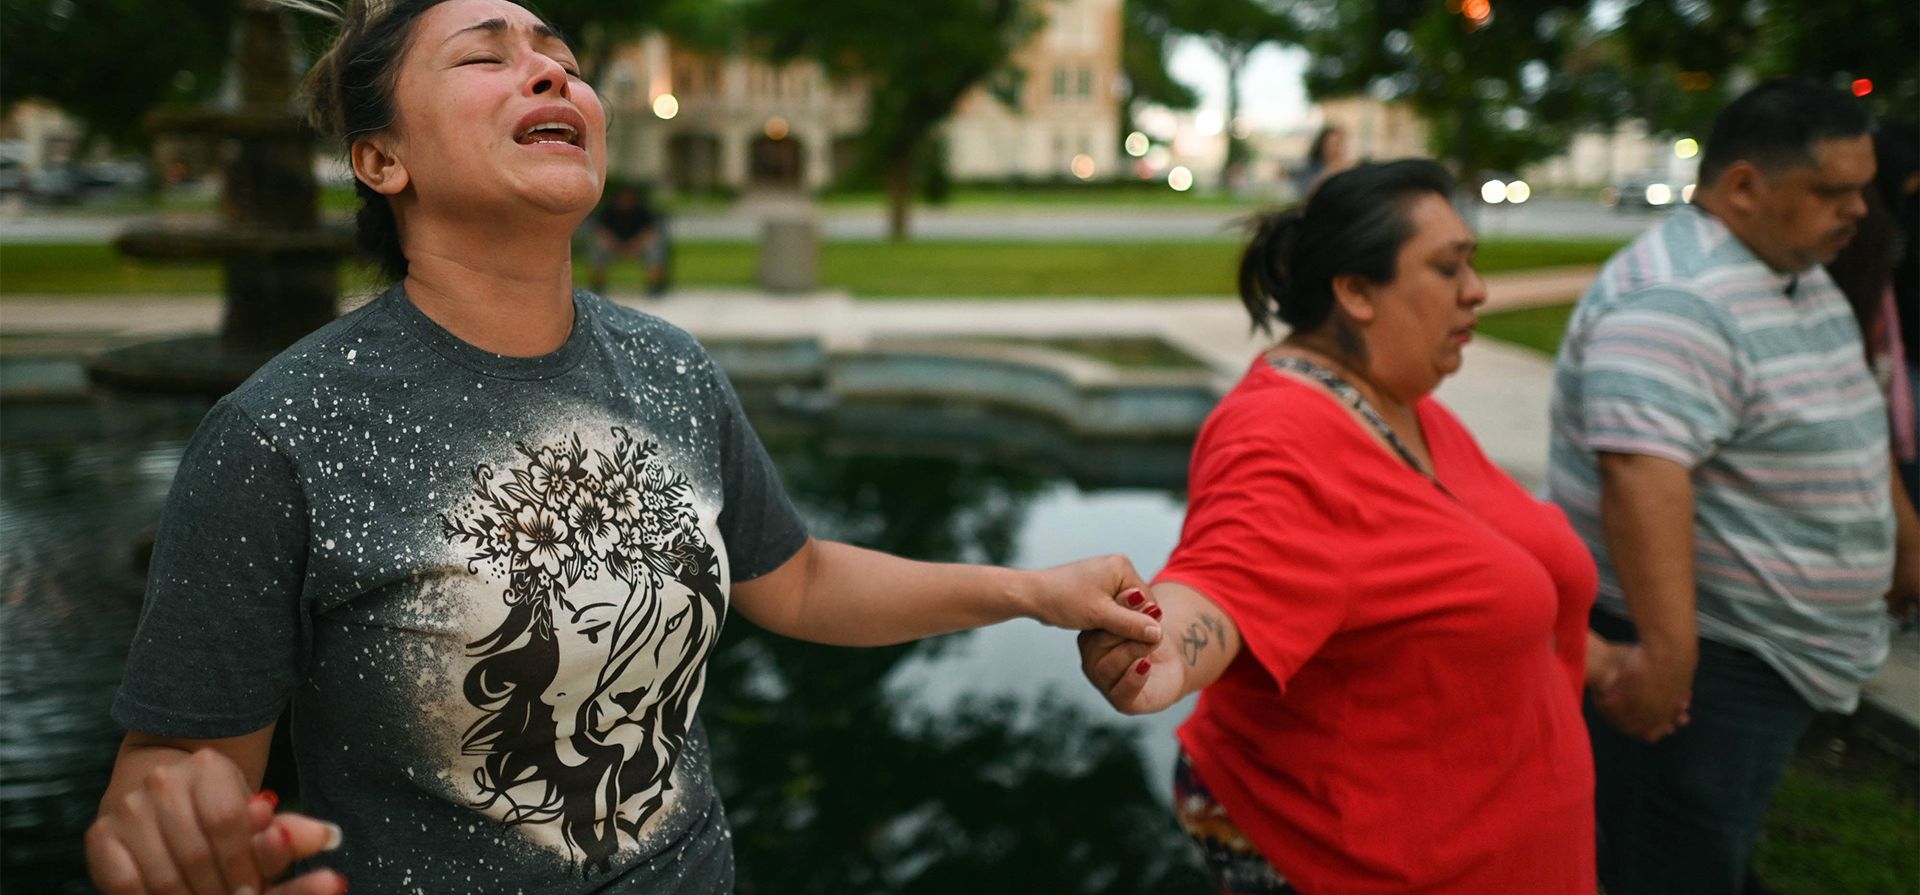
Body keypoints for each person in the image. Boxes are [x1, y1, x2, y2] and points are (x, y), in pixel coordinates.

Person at [81, 2, 1162, 893]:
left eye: (561, 58)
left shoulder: (670, 367)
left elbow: (804, 580)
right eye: (487, 55)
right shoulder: (278, 432)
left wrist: (1030, 587)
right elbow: (172, 776)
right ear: (380, 158)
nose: (550, 74)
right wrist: (170, 832)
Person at [1078, 159, 1615, 894]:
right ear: (1356, 291)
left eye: (1473, 263)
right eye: (1448, 267)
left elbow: (1464, 584)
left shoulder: (1399, 401)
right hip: (1356, 858)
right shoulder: (1279, 432)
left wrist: (1607, 661)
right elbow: (1224, 575)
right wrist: (1163, 642)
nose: (1477, 290)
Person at [1547, 80, 1920, 895]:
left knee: (1708, 849)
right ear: (1744, 186)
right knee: (1668, 862)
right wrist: (1666, 660)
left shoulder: (1790, 266)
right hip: (1712, 661)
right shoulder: (1677, 299)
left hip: (1758, 655)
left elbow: (1850, 412)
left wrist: (1903, 543)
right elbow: (1640, 474)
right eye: (1834, 189)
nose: (1860, 209)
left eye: (1864, 187)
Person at [590, 183, 668, 296]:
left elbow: (651, 231)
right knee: (598, 249)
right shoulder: (608, 211)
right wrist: (614, 244)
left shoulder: (642, 211)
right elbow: (600, 231)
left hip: (639, 246)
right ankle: (597, 285)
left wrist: (636, 245)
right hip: (613, 246)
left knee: (654, 250)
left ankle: (654, 286)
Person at [1290, 125, 1351, 199]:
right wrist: (1329, 171)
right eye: (1332, 144)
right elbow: (1305, 192)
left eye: (1339, 144)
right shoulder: (1311, 167)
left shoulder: (1349, 169)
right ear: (1322, 145)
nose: (1337, 149)